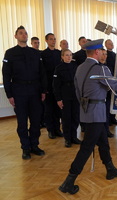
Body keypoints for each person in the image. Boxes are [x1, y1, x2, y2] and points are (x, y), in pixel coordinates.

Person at [59, 39, 117, 194]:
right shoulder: (101, 68)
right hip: (97, 112)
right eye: (101, 51)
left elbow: (77, 91)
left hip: (86, 110)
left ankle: (110, 169)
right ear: (97, 52)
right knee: (87, 147)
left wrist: (84, 106)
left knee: (103, 142)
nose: (103, 54)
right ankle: (69, 180)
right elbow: (115, 85)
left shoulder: (79, 68)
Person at [2, 26, 47, 159]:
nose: (24, 35)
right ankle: (25, 148)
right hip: (19, 91)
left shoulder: (35, 53)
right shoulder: (10, 53)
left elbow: (42, 73)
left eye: (25, 33)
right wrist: (9, 95)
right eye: (21, 33)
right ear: (16, 36)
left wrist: (43, 90)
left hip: (35, 90)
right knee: (22, 122)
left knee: (36, 121)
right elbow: (6, 75)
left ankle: (34, 145)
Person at [53, 49, 81, 147]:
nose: (69, 57)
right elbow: (56, 85)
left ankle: (74, 136)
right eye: (66, 55)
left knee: (75, 116)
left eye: (70, 55)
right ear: (62, 57)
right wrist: (58, 99)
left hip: (75, 94)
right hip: (65, 94)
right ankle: (67, 139)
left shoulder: (75, 66)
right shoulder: (59, 68)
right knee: (66, 118)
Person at [41, 33, 63, 139]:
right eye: (51, 39)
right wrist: (44, 88)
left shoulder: (59, 53)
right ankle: (50, 130)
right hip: (48, 85)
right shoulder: (43, 54)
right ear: (46, 41)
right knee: (49, 110)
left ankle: (57, 129)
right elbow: (42, 72)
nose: (53, 41)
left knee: (58, 109)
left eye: (54, 39)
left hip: (58, 86)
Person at [73, 36, 88, 132]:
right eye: (83, 41)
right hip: (81, 82)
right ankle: (83, 124)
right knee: (83, 104)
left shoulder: (90, 53)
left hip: (91, 82)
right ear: (79, 43)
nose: (85, 42)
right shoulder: (77, 55)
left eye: (86, 41)